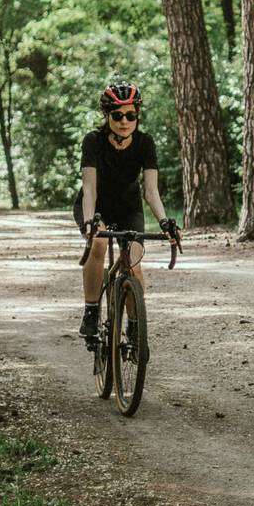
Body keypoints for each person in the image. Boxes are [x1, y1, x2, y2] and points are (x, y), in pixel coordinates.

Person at [76, 81, 178, 341]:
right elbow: (89, 189)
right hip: (96, 207)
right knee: (98, 245)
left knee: (133, 263)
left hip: (128, 207)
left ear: (137, 115)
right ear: (107, 115)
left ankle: (135, 325)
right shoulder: (93, 141)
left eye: (131, 115)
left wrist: (165, 222)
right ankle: (90, 312)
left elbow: (151, 192)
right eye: (117, 115)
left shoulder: (145, 143)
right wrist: (90, 223)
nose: (125, 121)